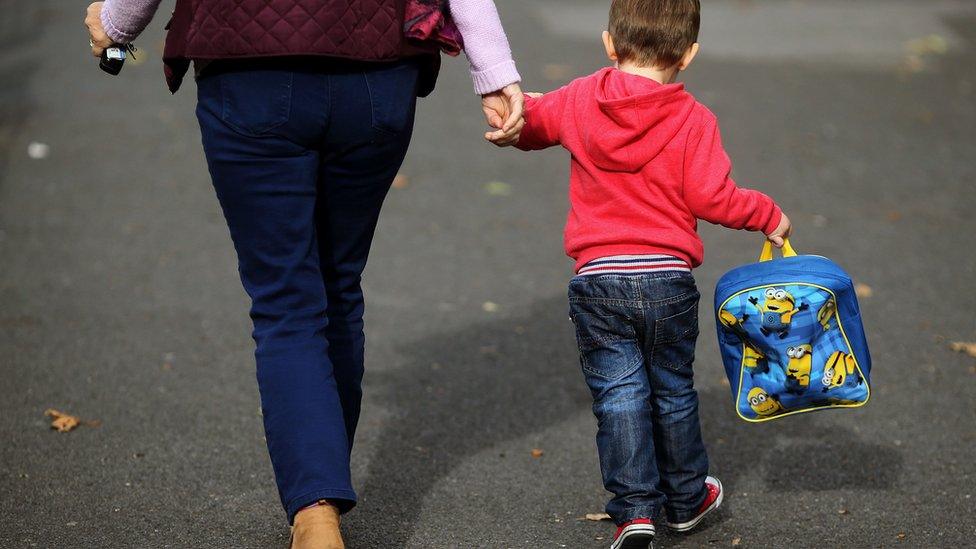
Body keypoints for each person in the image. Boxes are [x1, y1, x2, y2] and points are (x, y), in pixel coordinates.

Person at [84, 0, 525, 547]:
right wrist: (495, 73)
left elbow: (122, 20)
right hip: (376, 71)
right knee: (338, 284)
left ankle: (316, 513)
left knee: (286, 298)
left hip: (250, 66)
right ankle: (321, 499)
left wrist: (119, 21)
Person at [493, 1, 792, 547]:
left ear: (610, 43)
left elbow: (534, 124)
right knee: (673, 391)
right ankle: (684, 499)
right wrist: (767, 214)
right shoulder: (693, 118)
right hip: (667, 279)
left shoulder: (583, 97)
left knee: (619, 395)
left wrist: (515, 113)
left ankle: (634, 510)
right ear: (690, 54)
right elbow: (712, 197)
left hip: (598, 278)